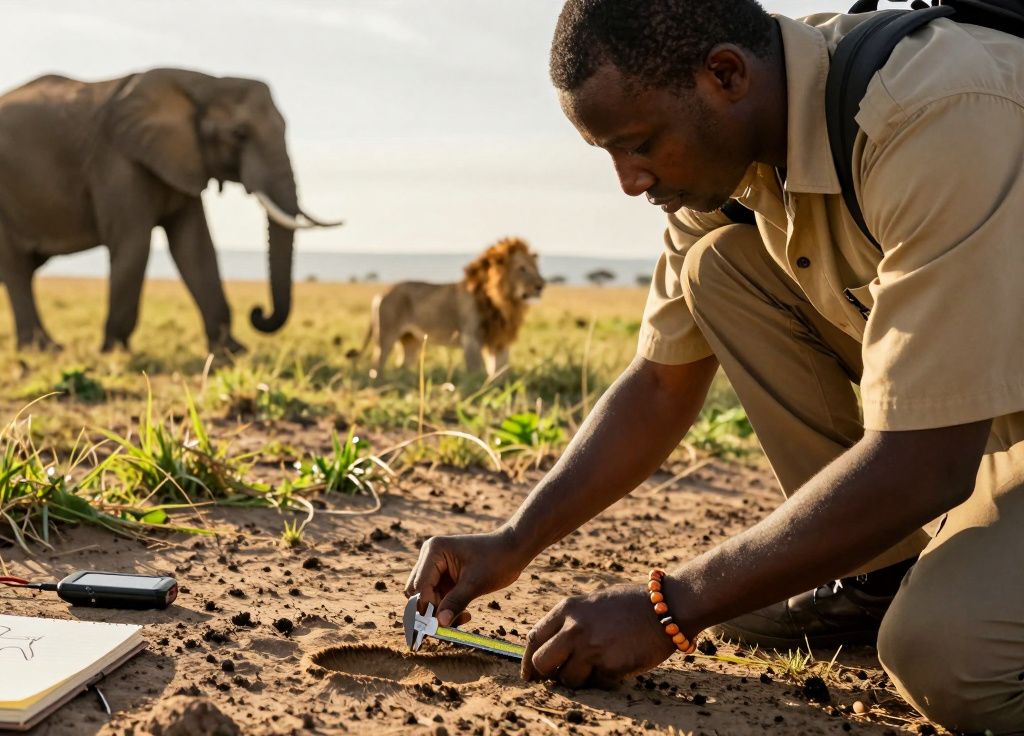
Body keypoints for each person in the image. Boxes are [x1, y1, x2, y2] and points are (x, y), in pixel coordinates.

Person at [404, 0, 1024, 731]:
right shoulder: (732, 156)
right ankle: (878, 577)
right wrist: (514, 540)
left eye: (637, 144)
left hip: (953, 446)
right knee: (720, 270)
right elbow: (661, 382)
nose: (628, 182)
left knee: (946, 659)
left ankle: (930, 593)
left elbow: (926, 463)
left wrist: (674, 608)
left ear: (725, 74)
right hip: (978, 421)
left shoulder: (932, 113)